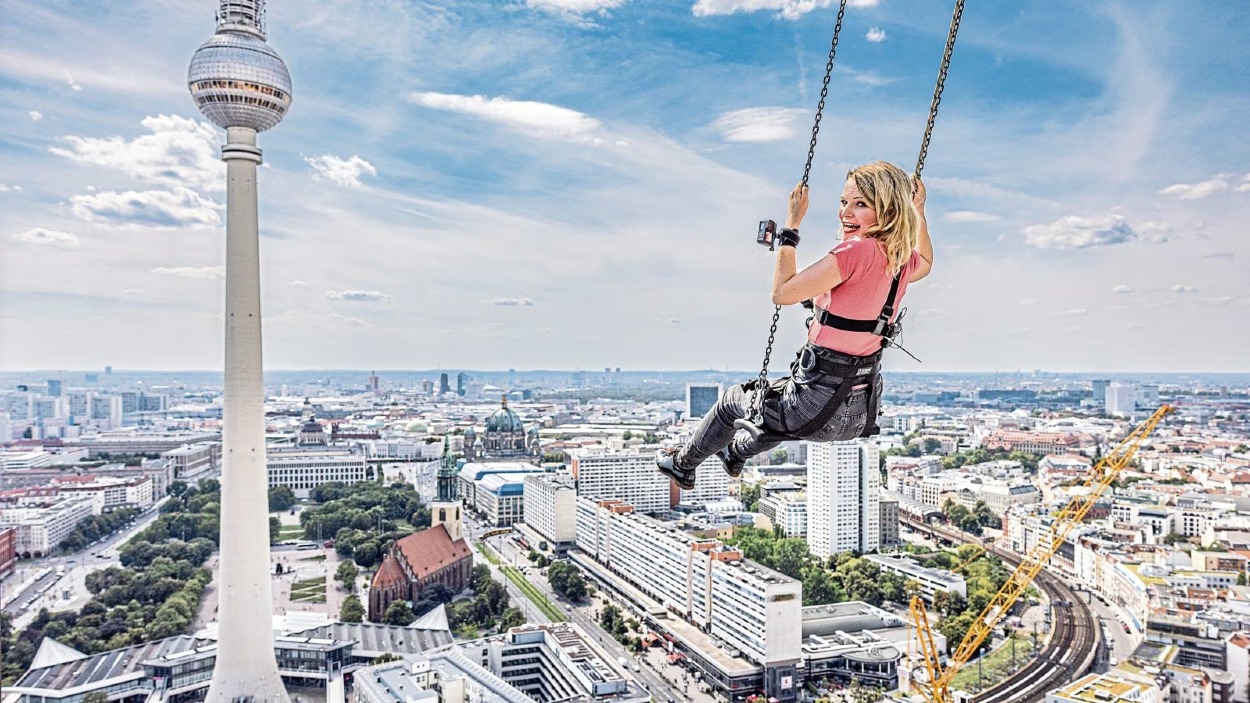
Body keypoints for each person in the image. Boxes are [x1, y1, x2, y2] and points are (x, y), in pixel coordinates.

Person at [657, 161, 932, 489]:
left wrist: (791, 225)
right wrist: (919, 210)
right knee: (776, 407)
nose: (846, 213)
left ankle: (683, 465)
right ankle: (736, 454)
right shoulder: (901, 259)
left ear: (887, 211)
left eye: (861, 205)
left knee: (735, 400)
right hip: (859, 412)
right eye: (844, 202)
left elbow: (782, 292)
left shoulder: (856, 251)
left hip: (814, 407)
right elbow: (926, 262)